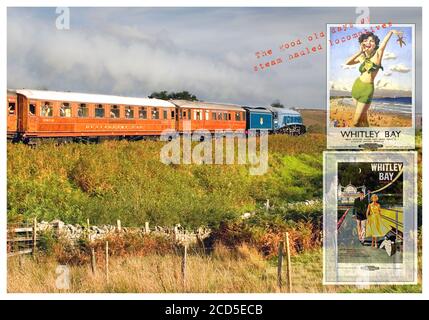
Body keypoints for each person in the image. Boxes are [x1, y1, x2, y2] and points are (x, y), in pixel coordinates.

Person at [345, 30, 403, 127]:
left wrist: (391, 32)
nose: (368, 42)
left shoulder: (377, 55)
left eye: (371, 41)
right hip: (357, 87)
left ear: (375, 44)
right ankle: (368, 140)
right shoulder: (362, 57)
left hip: (367, 91)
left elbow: (383, 44)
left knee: (355, 122)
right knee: (363, 119)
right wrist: (360, 52)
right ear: (362, 43)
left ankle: (351, 141)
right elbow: (347, 62)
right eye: (366, 40)